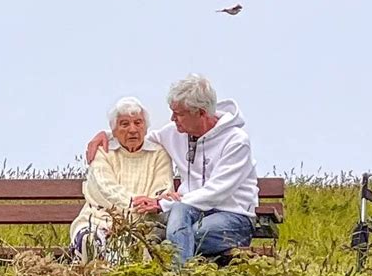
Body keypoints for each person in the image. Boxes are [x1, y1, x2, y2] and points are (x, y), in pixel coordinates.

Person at [87, 74, 258, 264]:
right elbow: (138, 135)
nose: (172, 118)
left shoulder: (236, 141)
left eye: (179, 113)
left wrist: (161, 204)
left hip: (232, 217)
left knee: (183, 236)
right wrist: (106, 134)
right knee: (174, 224)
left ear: (201, 113)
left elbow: (216, 192)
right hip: (187, 213)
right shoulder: (174, 132)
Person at [70, 97, 173, 264]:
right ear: (114, 131)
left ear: (146, 128)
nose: (132, 130)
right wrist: (133, 206)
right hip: (99, 219)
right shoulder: (103, 151)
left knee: (129, 247)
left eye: (138, 123)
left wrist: (128, 224)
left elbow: (161, 192)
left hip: (143, 224)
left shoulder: (159, 153)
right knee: (89, 242)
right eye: (124, 124)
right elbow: (105, 189)